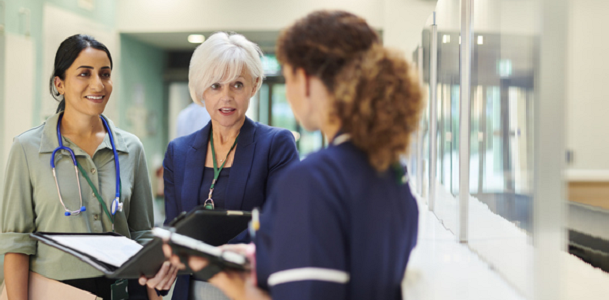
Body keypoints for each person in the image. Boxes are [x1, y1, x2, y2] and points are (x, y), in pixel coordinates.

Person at [163, 10, 424, 300]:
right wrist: (255, 254)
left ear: (305, 80)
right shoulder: (392, 171)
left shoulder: (313, 181)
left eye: (287, 78)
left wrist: (222, 276)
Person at [0, 34, 177, 300]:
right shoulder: (27, 148)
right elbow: (17, 244)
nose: (98, 84)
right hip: (57, 290)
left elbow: (141, 234)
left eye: (105, 74)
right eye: (84, 74)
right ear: (60, 84)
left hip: (123, 288)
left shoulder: (131, 148)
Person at [161, 31, 300, 300]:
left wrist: (213, 255)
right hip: (191, 290)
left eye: (237, 84)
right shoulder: (177, 152)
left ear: (254, 85)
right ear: (201, 89)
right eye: (215, 86)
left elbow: (282, 221)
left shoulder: (276, 145)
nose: (226, 96)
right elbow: (173, 228)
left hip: (250, 287)